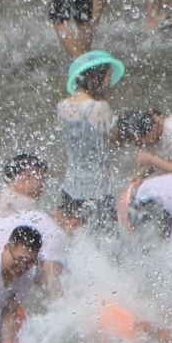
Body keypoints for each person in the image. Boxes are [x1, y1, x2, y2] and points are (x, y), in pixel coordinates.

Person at [55, 52, 117, 225]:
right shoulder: (100, 107)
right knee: (104, 241)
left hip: (70, 185)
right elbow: (114, 135)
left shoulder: (62, 105)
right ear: (95, 77)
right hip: (98, 189)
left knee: (72, 235)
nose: (109, 82)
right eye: (107, 77)